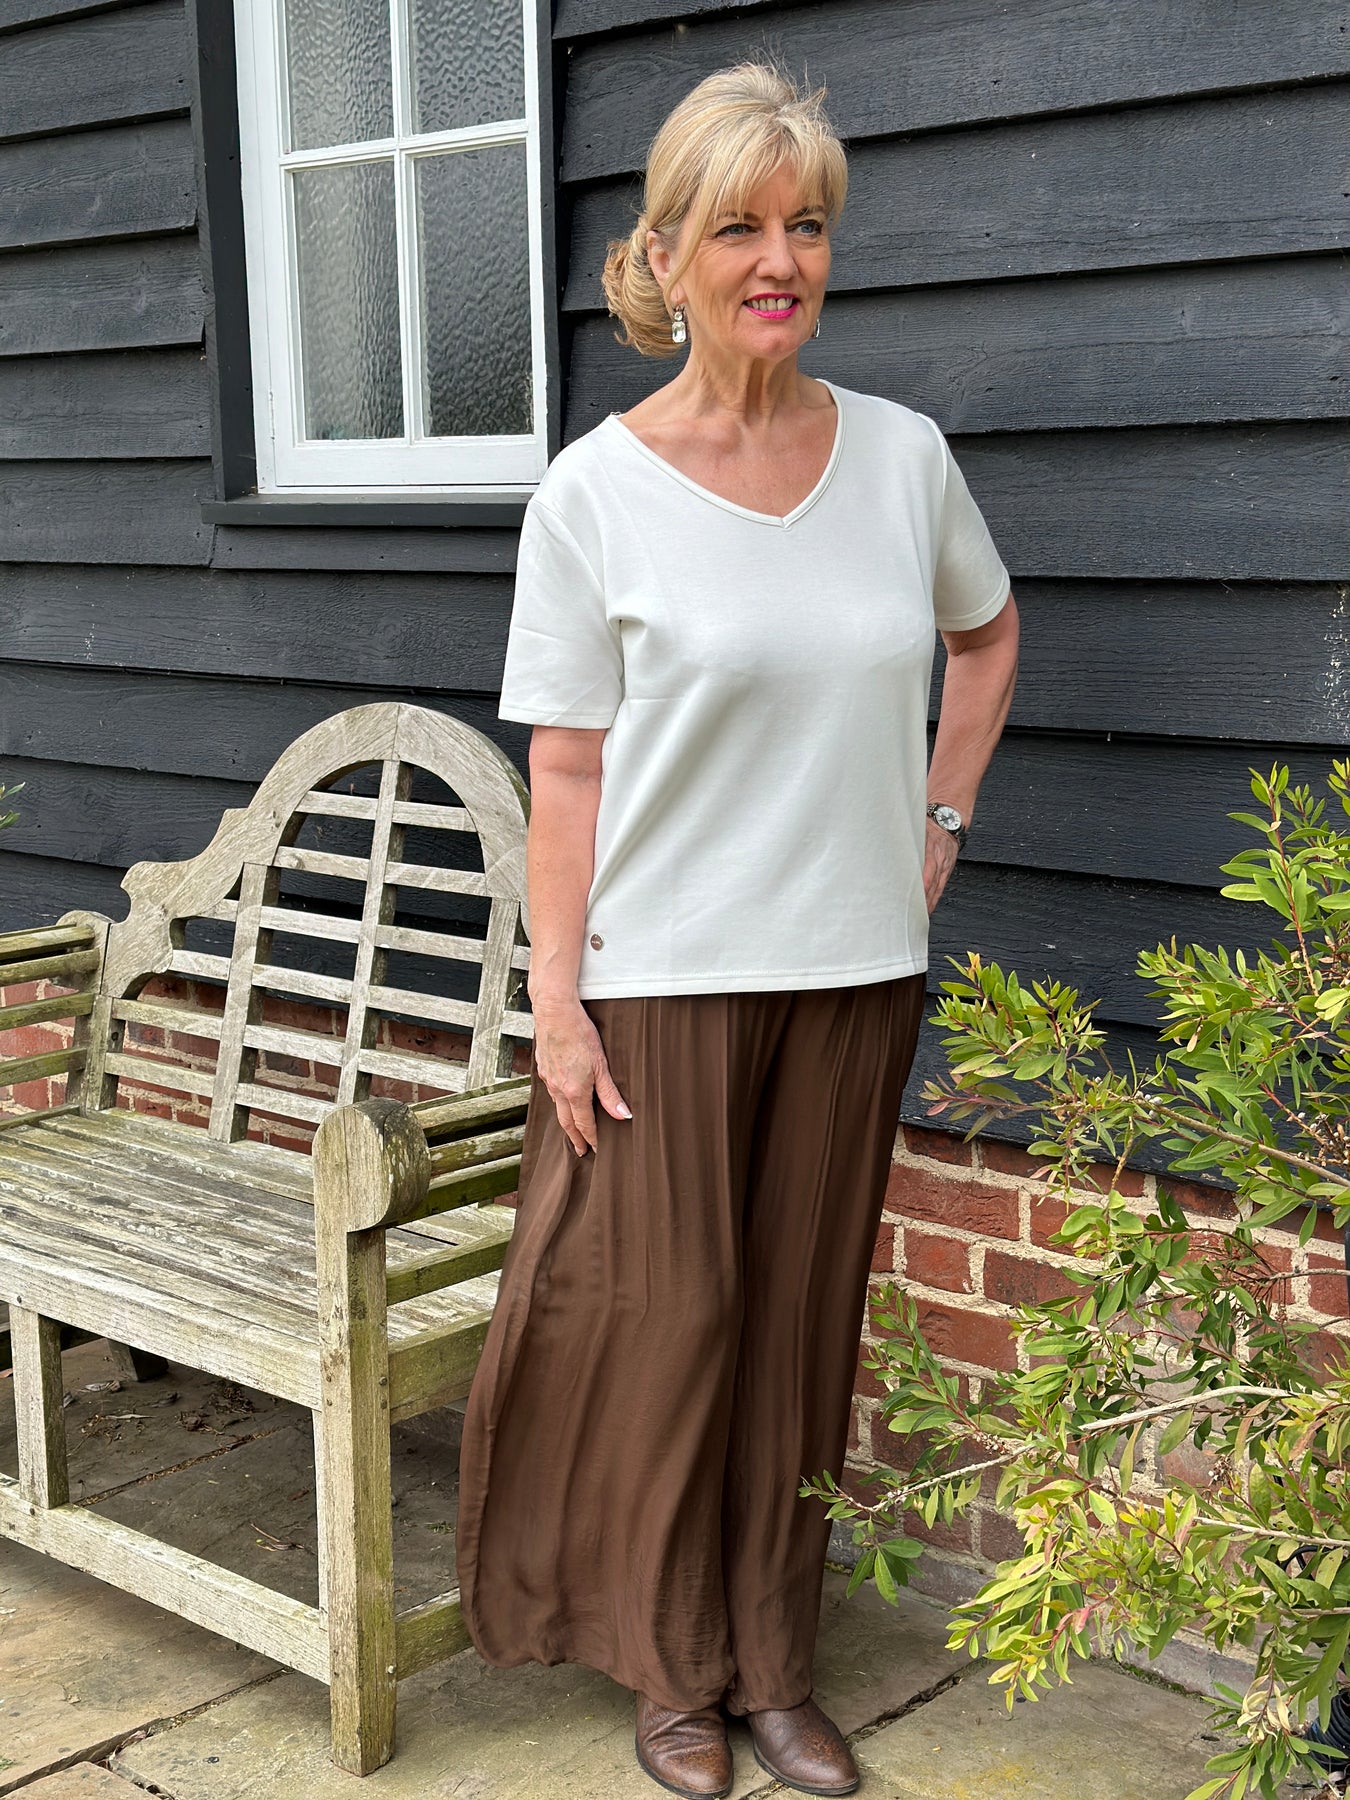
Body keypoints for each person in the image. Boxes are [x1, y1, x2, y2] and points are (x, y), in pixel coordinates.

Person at [455, 55, 1020, 1800]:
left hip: (853, 972)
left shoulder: (902, 459)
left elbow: (986, 637)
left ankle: (772, 1667)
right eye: (739, 229)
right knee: (661, 1325)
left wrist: (938, 817)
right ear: (666, 256)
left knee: (794, 1331)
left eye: (808, 225)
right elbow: (564, 770)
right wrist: (558, 1004)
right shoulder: (594, 493)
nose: (780, 260)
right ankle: (669, 1668)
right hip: (663, 986)